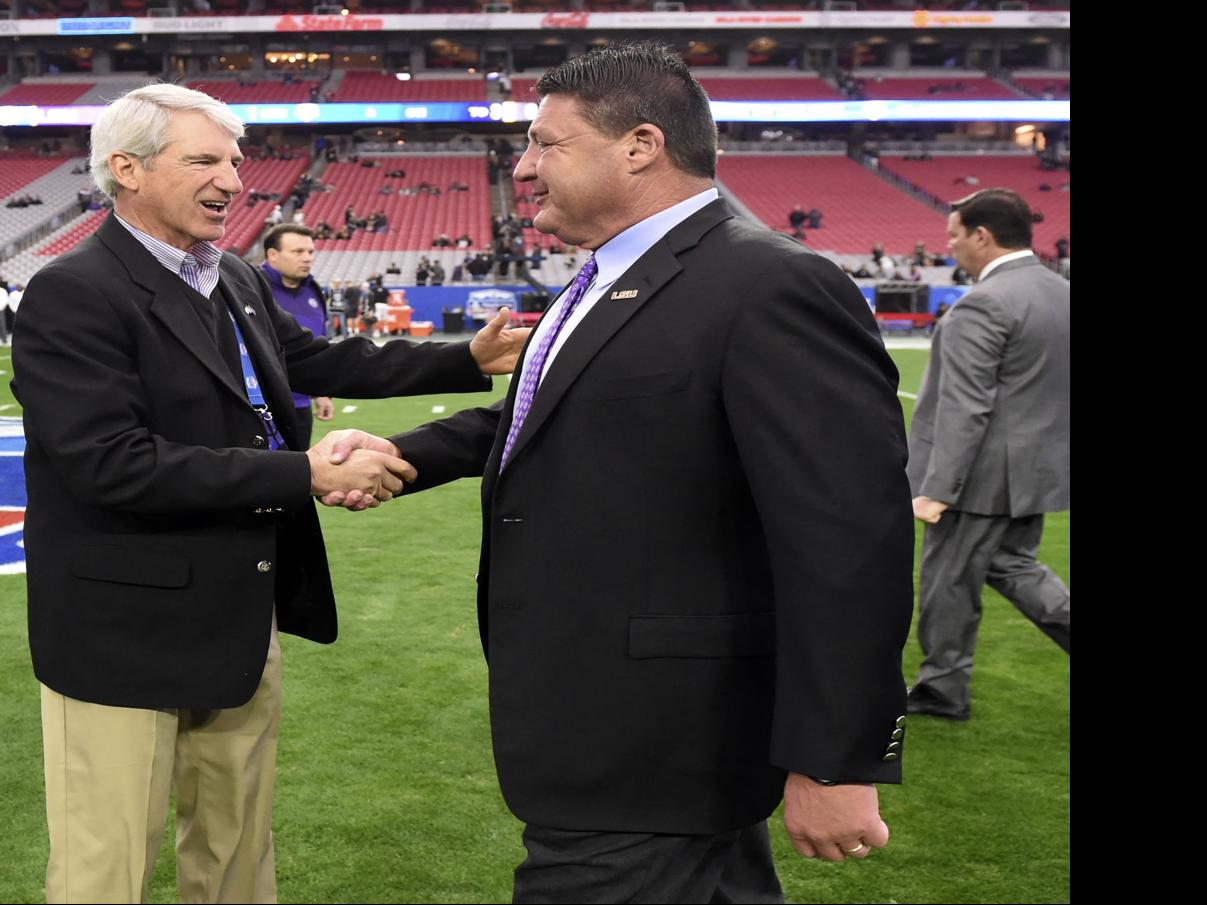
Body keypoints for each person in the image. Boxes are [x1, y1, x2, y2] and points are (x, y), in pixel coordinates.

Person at [344, 43, 914, 903]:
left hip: (659, 736)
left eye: (545, 143)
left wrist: (834, 757)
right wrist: (407, 453)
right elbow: (549, 414)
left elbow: (846, 536)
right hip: (631, 733)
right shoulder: (609, 277)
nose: (523, 168)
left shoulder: (766, 284)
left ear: (640, 145)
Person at [10, 82, 530, 905]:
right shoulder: (73, 291)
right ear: (127, 169)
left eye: (237, 160)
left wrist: (463, 359)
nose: (232, 178)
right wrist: (306, 473)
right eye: (205, 159)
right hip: (122, 630)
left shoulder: (232, 277)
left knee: (237, 853)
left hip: (237, 609)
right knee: (106, 868)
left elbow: (321, 361)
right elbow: (111, 462)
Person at [905, 188, 1070, 723]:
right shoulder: (1059, 291)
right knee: (1015, 567)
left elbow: (964, 408)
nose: (949, 246)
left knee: (948, 584)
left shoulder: (984, 303)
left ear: (982, 235)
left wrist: (937, 490)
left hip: (979, 478)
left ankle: (942, 689)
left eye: (954, 235)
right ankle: (942, 685)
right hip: (1034, 469)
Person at [261, 223, 334, 448]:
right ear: (272, 255)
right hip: (261, 406)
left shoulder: (314, 290)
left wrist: (321, 392)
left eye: (310, 252)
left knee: (299, 474)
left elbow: (319, 344)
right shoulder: (250, 287)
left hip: (300, 405)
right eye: (298, 252)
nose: (307, 258)